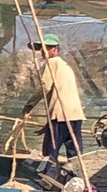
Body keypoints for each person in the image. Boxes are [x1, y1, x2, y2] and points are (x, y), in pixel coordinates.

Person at [20, 33, 85, 163]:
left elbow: (44, 87)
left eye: (46, 48)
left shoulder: (52, 62)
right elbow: (60, 95)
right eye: (41, 49)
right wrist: (48, 125)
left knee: (49, 152)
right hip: (74, 116)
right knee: (75, 154)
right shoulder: (64, 66)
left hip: (61, 117)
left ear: (54, 49)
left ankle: (46, 179)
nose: (42, 52)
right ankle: (74, 178)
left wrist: (28, 107)